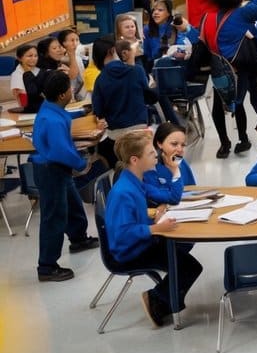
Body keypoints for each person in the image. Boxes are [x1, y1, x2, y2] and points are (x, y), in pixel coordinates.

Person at [103, 131, 203, 327]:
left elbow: (172, 198)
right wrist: (156, 228)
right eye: (150, 153)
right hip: (130, 251)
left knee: (184, 258)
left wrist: (175, 172)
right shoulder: (124, 191)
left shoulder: (135, 180)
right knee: (188, 266)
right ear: (135, 159)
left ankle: (165, 299)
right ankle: (156, 299)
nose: (156, 156)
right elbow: (122, 234)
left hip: (142, 241)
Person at [31, 73, 99, 282]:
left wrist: (81, 112)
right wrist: (82, 164)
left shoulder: (52, 109)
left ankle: (78, 238)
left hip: (56, 168)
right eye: (69, 89)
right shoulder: (52, 120)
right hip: (51, 169)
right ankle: (47, 266)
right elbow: (61, 151)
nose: (72, 91)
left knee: (72, 203)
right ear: (62, 95)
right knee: (54, 217)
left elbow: (65, 118)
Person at [199, 0, 257, 157]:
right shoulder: (243, 12)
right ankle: (242, 139)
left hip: (217, 65)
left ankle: (224, 143)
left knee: (218, 102)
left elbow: (201, 40)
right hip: (238, 66)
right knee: (238, 102)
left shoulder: (207, 17)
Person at [91, 38, 159, 167]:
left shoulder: (100, 80)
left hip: (116, 136)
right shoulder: (136, 71)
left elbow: (98, 111)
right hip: (139, 130)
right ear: (113, 50)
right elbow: (150, 97)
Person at [143, 123, 195, 205]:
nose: (180, 149)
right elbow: (163, 199)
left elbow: (192, 189)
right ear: (159, 143)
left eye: (183, 145)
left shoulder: (181, 162)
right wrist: (175, 170)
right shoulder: (150, 167)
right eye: (174, 144)